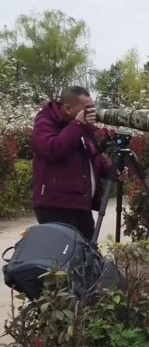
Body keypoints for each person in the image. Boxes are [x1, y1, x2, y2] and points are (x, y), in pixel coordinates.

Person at [30, 86, 116, 241]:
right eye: (87, 108)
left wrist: (113, 170)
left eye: (93, 108)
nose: (92, 112)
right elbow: (53, 149)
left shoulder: (82, 126)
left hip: (81, 204)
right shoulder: (45, 122)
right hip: (55, 206)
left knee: (87, 251)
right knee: (64, 252)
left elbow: (92, 156)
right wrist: (77, 125)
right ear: (68, 108)